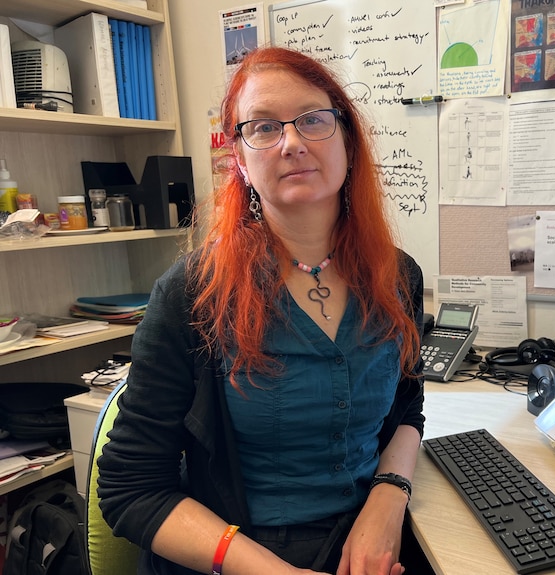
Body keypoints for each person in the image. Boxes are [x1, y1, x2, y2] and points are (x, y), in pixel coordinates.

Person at [97, 46, 427, 575]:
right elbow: (130, 489)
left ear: (348, 140)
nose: (292, 142)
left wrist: (388, 498)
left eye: (314, 120)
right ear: (242, 163)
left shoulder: (397, 276)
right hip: (235, 554)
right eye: (264, 128)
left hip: (368, 544)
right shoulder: (192, 294)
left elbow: (407, 406)